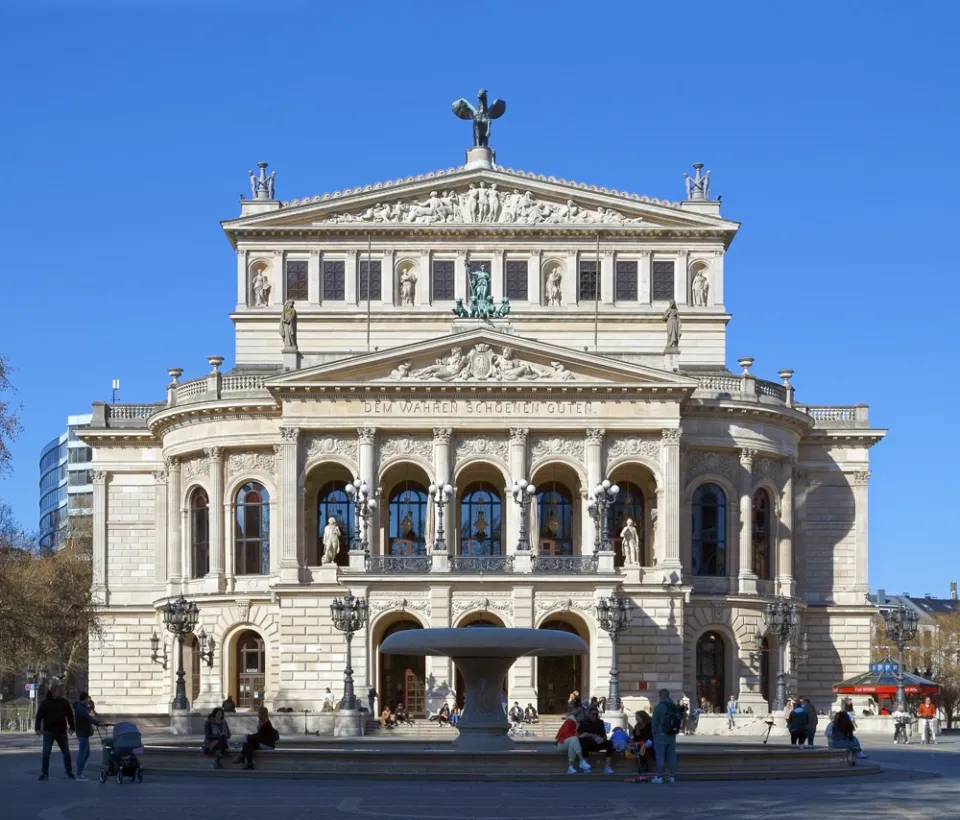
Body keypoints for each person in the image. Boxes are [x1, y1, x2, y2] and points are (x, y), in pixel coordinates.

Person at [35, 684, 76, 781]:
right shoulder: (45, 703)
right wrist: (37, 728)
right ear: (52, 692)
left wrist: (72, 727)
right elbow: (39, 716)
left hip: (61, 731)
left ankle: (69, 771)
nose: (58, 693)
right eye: (56, 691)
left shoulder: (64, 702)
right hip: (49, 731)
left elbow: (70, 715)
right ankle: (44, 773)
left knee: (66, 753)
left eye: (59, 691)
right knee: (46, 753)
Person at [650, 688, 680, 784]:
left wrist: (653, 733)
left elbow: (654, 721)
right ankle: (672, 776)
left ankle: (659, 776)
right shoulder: (674, 706)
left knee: (660, 756)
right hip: (671, 733)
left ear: (660, 696)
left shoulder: (659, 707)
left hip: (660, 733)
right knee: (671, 755)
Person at [235, 706, 278, 770]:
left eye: (258, 712)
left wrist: (249, 736)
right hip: (263, 742)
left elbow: (260, 736)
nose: (257, 713)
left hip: (268, 745)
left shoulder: (266, 723)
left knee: (247, 740)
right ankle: (246, 760)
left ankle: (243, 757)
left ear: (262, 713)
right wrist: (249, 736)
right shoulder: (261, 721)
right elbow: (259, 735)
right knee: (247, 741)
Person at [72, 692, 103, 782]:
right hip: (82, 733)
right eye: (88, 698)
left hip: (83, 733)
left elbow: (88, 712)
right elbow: (88, 717)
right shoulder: (80, 708)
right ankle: (79, 774)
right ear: (85, 698)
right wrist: (98, 723)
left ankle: (80, 771)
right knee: (82, 754)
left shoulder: (81, 707)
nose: (89, 700)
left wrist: (90, 707)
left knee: (86, 753)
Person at [577, 704, 615, 774]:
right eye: (593, 714)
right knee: (583, 741)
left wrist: (601, 739)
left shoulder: (600, 722)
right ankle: (586, 767)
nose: (595, 716)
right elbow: (580, 735)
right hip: (587, 744)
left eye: (596, 714)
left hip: (597, 743)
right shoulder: (583, 722)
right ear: (589, 714)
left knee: (609, 743)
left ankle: (607, 767)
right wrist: (593, 736)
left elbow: (604, 736)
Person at [629, 710, 655, 777]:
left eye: (637, 716)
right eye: (636, 716)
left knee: (642, 748)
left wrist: (646, 743)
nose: (636, 718)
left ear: (643, 717)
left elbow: (651, 735)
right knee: (639, 747)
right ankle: (642, 766)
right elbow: (636, 738)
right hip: (641, 744)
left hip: (651, 743)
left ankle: (644, 766)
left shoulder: (649, 724)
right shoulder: (637, 726)